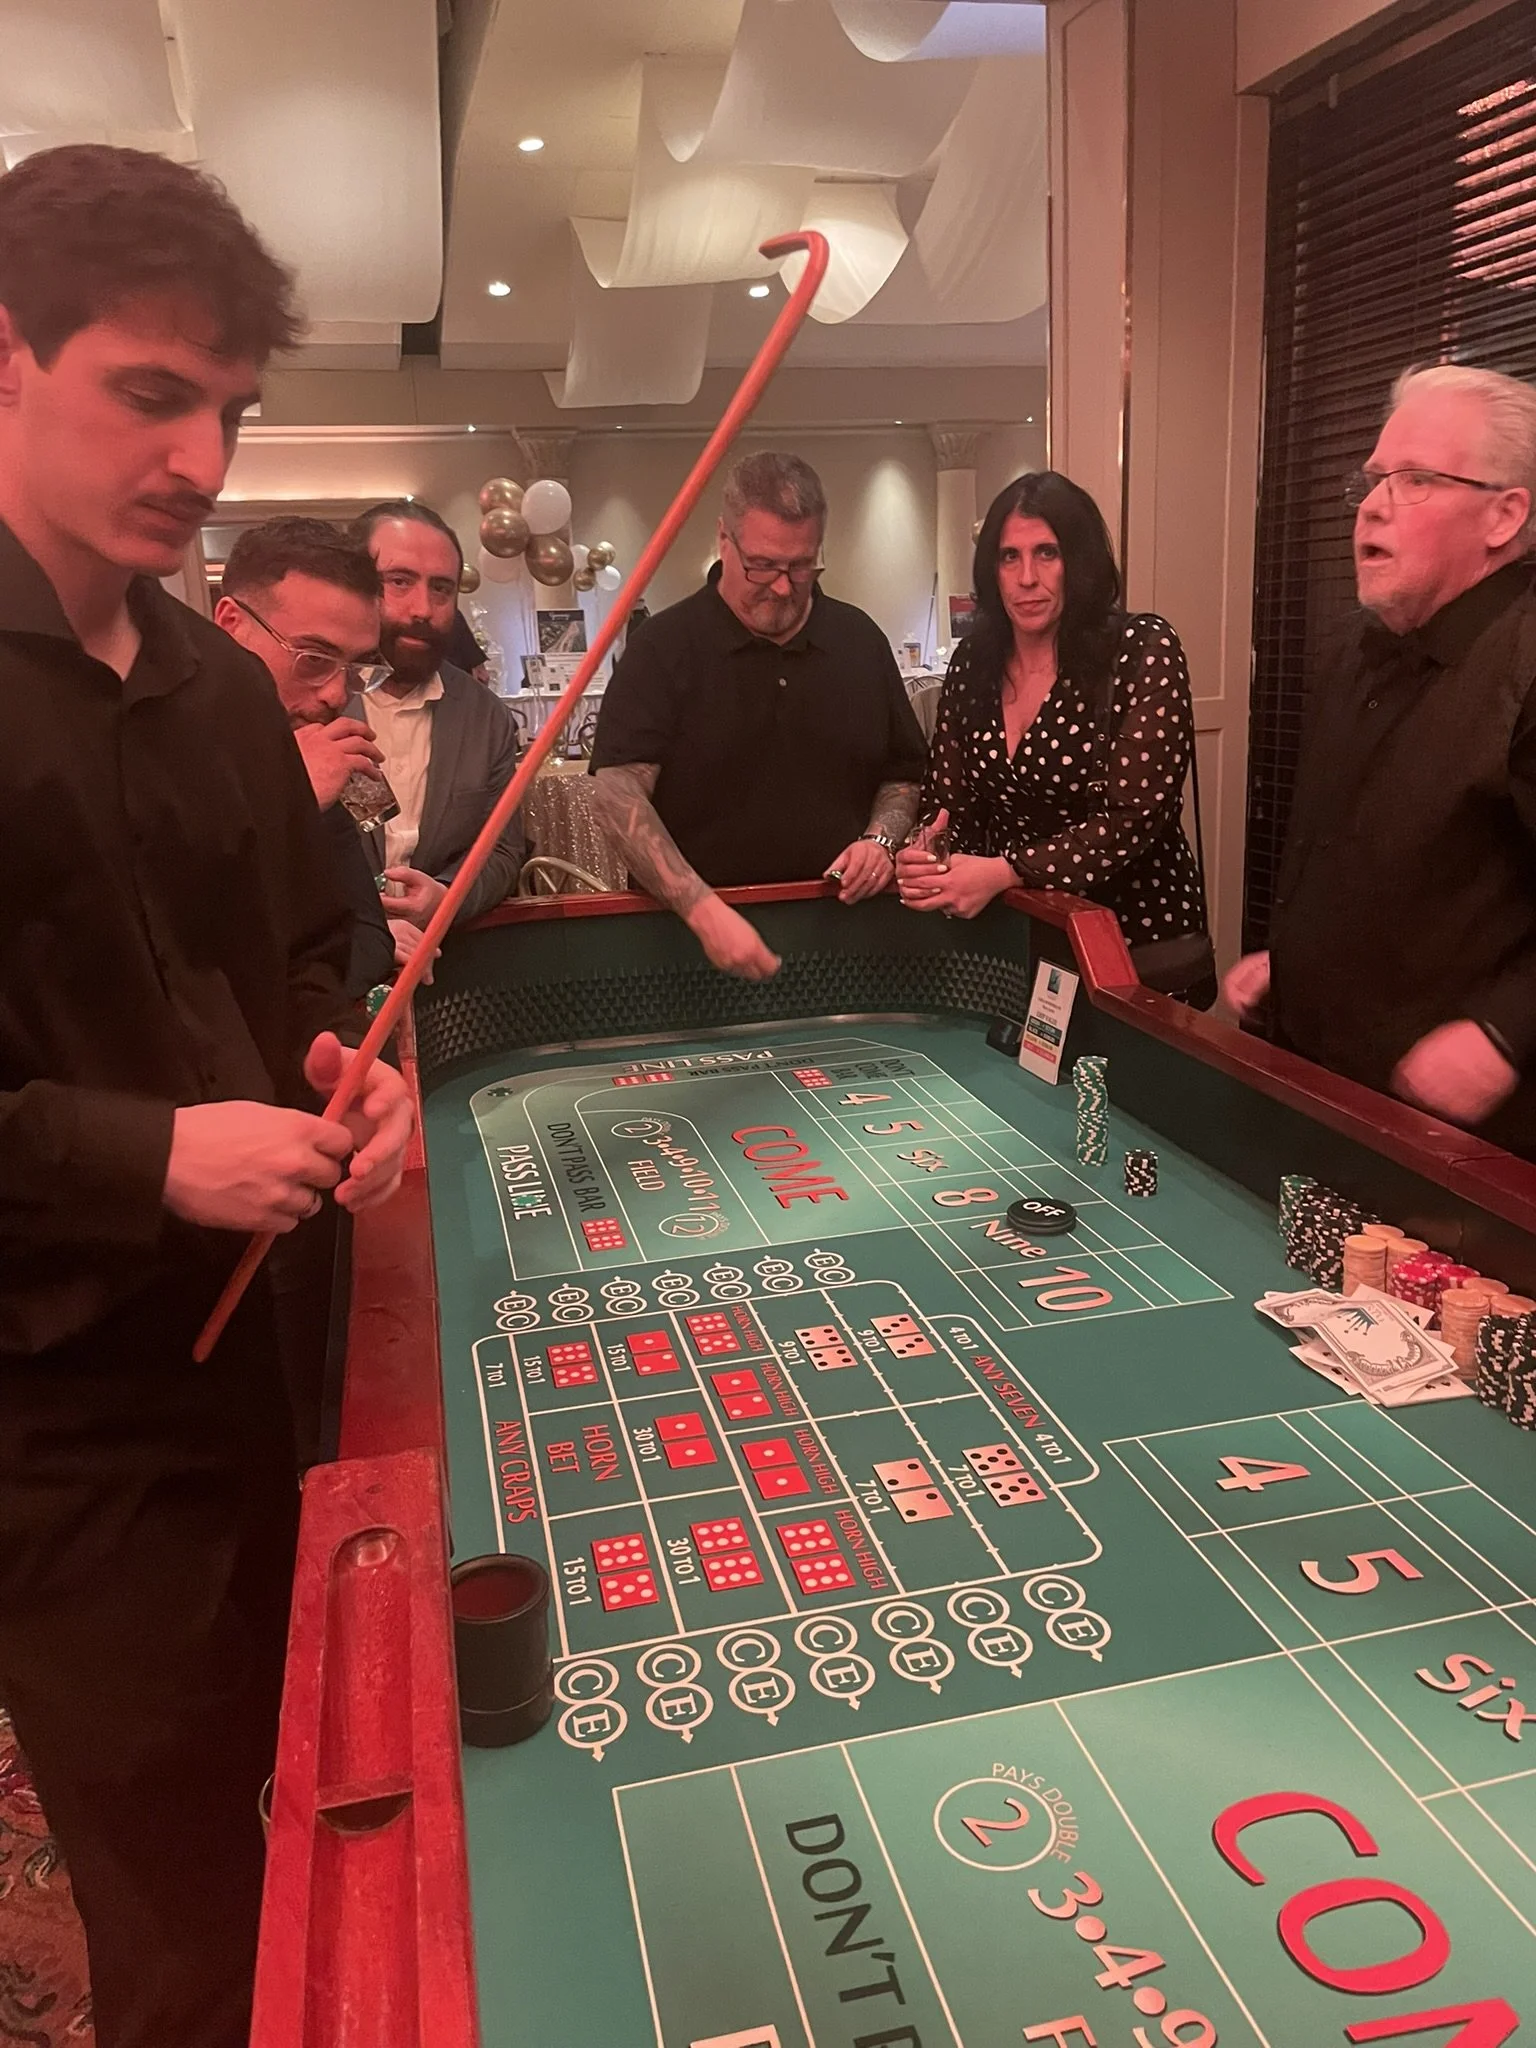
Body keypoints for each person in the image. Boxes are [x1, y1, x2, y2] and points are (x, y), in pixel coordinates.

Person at [0, 143, 414, 2048]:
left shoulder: (222, 684)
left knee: (318, 1801)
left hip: (275, 1359)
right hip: (61, 1424)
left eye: (230, 409)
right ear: (11, 356)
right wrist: (155, 1153)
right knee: (180, 1913)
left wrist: (350, 1064)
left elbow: (304, 965)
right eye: (151, 392)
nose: (201, 457)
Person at [1224, 364, 1536, 1148]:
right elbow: (1351, 854)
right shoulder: (1350, 649)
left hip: (1463, 1140)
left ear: (1504, 515)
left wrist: (1504, 1032)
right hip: (1320, 1076)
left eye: (1416, 479)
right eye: (1372, 479)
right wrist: (1292, 961)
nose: (1372, 505)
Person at [588, 452, 926, 980]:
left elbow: (903, 774)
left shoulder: (860, 640)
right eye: (763, 565)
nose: (783, 586)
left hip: (845, 940)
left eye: (801, 566)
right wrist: (701, 908)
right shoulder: (662, 648)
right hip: (689, 949)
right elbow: (616, 794)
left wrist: (880, 840)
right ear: (725, 539)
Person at [896, 471, 1212, 1005]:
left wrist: (1006, 871)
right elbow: (949, 803)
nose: (1027, 578)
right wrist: (926, 852)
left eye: (1047, 553)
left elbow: (1134, 818)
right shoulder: (973, 660)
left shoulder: (1142, 647)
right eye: (1009, 557)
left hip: (1134, 941)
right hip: (1018, 939)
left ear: (1079, 561)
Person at [216, 516, 396, 999]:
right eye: (313, 659)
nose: (337, 695)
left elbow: (370, 940)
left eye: (355, 668)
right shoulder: (155, 751)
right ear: (232, 626)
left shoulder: (312, 751)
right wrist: (286, 799)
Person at [351, 499, 523, 932]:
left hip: (445, 960)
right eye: (399, 581)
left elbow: (503, 851)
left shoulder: (486, 718)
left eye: (441, 589)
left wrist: (448, 897)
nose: (423, 609)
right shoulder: (308, 700)